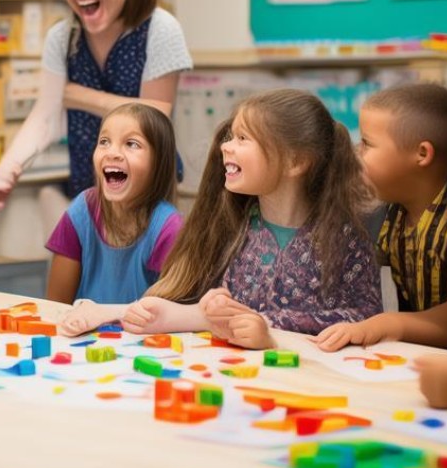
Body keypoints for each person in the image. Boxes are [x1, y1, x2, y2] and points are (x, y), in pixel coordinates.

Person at [116, 89, 382, 349]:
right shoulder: (228, 228)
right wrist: (209, 307)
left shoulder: (345, 238)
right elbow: (206, 313)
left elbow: (367, 317)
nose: (225, 146)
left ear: (295, 162)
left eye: (242, 138)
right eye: (231, 136)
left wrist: (268, 326)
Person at [0, 0, 192, 214]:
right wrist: (5, 172)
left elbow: (154, 114)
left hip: (147, 190)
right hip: (89, 187)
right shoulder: (63, 36)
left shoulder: (160, 28)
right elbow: (46, 116)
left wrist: (78, 95)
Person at [315, 83, 447, 354]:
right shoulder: (390, 208)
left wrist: (386, 324)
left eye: (367, 144)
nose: (357, 153)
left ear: (421, 154)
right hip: (429, 353)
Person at [46, 103, 182, 307]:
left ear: (159, 162)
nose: (112, 152)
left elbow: (166, 317)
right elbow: (55, 306)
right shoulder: (82, 210)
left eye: (132, 144)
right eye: (104, 141)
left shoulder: (169, 228)